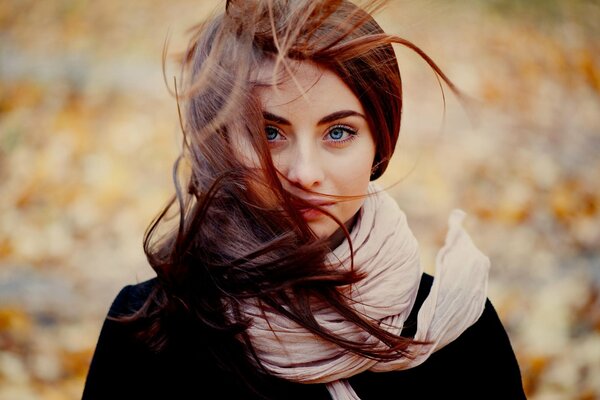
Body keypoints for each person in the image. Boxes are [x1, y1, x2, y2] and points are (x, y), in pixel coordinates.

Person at [82, 0, 526, 398]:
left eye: (338, 132)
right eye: (269, 133)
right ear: (221, 140)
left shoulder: (457, 332)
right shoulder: (150, 331)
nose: (305, 174)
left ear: (379, 145)